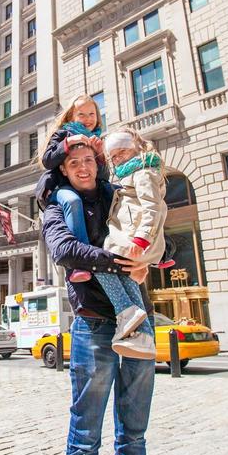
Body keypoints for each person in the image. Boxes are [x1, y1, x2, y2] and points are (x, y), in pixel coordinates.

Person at [41, 143, 179, 455]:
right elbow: (64, 251)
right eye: (73, 162)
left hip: (139, 323)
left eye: (88, 161)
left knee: (134, 438)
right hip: (93, 328)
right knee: (85, 441)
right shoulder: (60, 205)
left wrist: (152, 257)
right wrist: (121, 262)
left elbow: (162, 237)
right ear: (62, 168)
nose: (82, 168)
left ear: (98, 163)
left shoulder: (119, 192)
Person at [93, 126, 171, 359]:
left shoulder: (144, 172)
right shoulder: (133, 173)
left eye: (122, 152)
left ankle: (127, 313)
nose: (118, 158)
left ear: (135, 148)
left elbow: (153, 208)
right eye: (113, 156)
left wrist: (142, 238)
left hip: (135, 239)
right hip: (132, 237)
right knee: (122, 275)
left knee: (100, 264)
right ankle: (141, 334)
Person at [36, 94, 108, 283]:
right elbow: (47, 160)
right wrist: (68, 143)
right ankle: (80, 264)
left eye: (91, 114)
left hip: (90, 195)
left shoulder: (97, 138)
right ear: (70, 117)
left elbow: (103, 176)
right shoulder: (63, 134)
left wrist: (100, 155)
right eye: (81, 114)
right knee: (72, 201)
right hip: (63, 189)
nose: (88, 119)